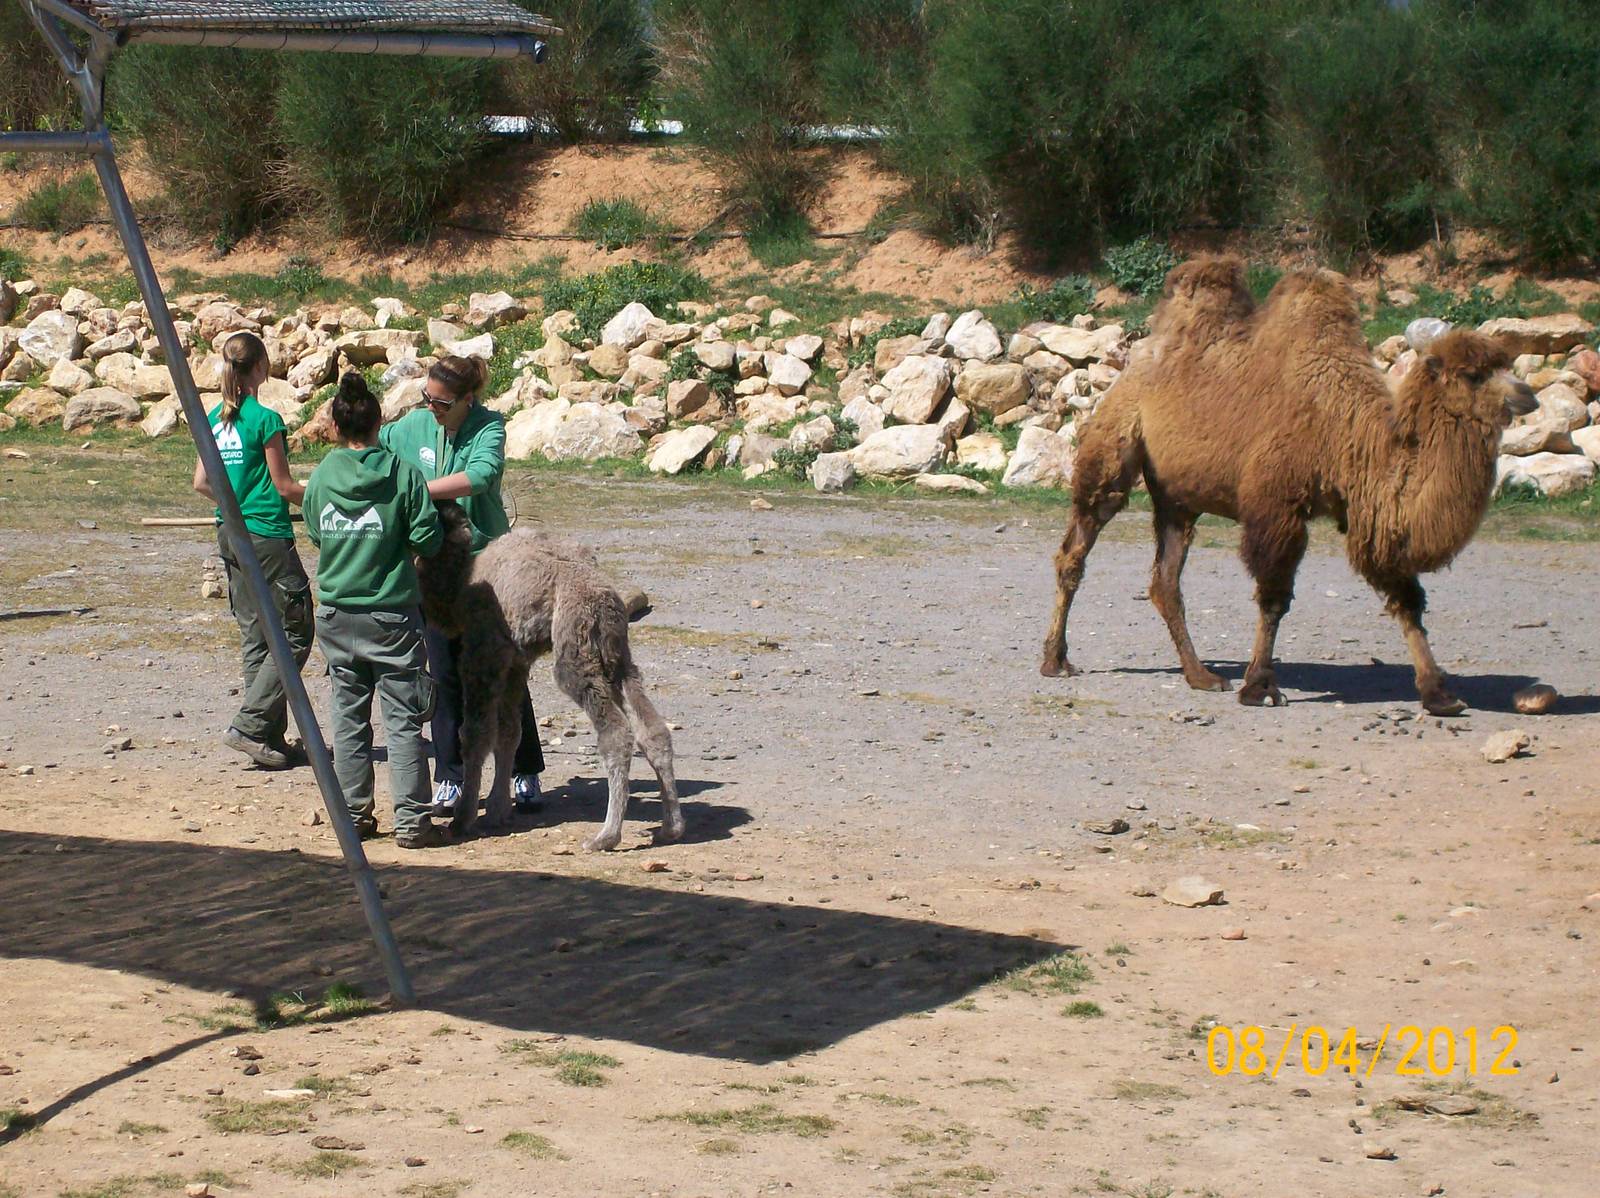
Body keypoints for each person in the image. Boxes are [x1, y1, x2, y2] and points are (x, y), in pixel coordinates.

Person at [379, 354, 546, 819]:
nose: (431, 406)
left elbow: (481, 476)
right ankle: (451, 776)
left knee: (506, 672)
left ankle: (522, 769)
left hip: (487, 573)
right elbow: (376, 449)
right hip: (434, 569)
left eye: (441, 401)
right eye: (427, 397)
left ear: (467, 399)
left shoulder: (489, 426)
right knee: (445, 672)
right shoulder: (411, 427)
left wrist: (417, 491)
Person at [303, 373, 447, 849]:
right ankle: (412, 822)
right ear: (379, 420)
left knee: (348, 717)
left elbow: (317, 533)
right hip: (392, 614)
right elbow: (428, 537)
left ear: (337, 426)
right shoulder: (403, 474)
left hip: (337, 614)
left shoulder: (323, 475)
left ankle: (353, 817)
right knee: (403, 719)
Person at [192, 330, 311, 770]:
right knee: (297, 632)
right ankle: (250, 723)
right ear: (260, 368)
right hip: (268, 536)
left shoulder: (212, 417)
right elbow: (283, 486)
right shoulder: (265, 419)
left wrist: (233, 506)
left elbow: (202, 482)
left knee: (256, 636)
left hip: (231, 533)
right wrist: (324, 499)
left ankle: (268, 739)